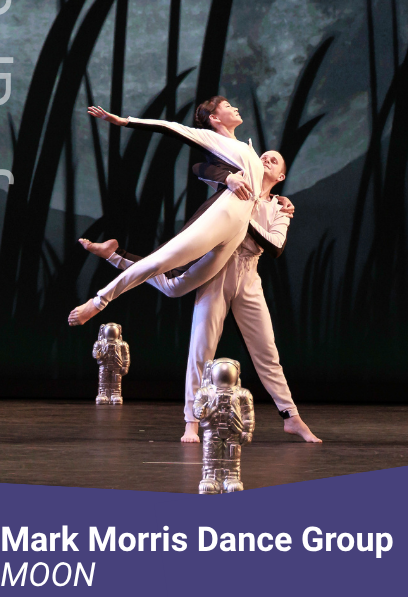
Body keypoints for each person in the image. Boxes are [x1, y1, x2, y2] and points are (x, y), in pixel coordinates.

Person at [80, 150, 322, 444]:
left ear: (281, 176)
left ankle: (291, 416)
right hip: (215, 270)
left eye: (274, 160)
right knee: (201, 348)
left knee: (267, 352)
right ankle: (191, 422)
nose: (266, 160)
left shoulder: (279, 208)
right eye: (264, 156)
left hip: (248, 277)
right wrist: (231, 180)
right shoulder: (237, 185)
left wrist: (244, 215)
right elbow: (199, 168)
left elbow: (275, 247)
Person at [68, 97, 267, 326]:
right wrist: (124, 121)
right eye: (229, 106)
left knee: (175, 287)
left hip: (241, 225)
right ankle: (98, 302)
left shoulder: (246, 148)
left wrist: (278, 201)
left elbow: (259, 187)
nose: (236, 108)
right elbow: (168, 126)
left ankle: (114, 254)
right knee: (160, 261)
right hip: (227, 211)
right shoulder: (211, 138)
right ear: (214, 118)